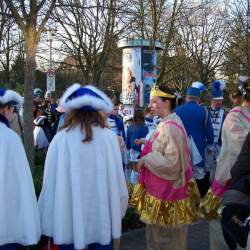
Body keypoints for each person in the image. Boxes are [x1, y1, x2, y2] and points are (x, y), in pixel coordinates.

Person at [38, 83, 128, 250]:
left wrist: (47, 218)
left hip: (68, 221)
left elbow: (49, 184)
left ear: (71, 110)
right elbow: (118, 181)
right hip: (101, 220)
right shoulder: (109, 138)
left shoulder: (60, 140)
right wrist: (120, 209)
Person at [130, 84, 200, 250]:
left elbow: (171, 165)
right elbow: (165, 147)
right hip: (167, 193)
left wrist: (146, 159)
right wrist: (148, 143)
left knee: (162, 241)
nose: (151, 106)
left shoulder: (169, 126)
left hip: (166, 195)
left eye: (154, 101)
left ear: (167, 103)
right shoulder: (170, 121)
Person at [0, 88, 41, 250]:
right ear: (5, 109)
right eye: (12, 109)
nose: (13, 114)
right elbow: (22, 184)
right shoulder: (10, 138)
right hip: (7, 224)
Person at [176, 85, 214, 198]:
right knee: (199, 174)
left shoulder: (177, 111)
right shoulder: (203, 111)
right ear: (198, 99)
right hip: (199, 147)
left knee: (181, 173)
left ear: (187, 97)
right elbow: (210, 133)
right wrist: (210, 145)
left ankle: (182, 200)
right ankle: (199, 200)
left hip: (181, 147)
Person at [206, 80, 227, 181]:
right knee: (206, 171)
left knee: (219, 171)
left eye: (221, 100)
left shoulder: (226, 113)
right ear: (212, 100)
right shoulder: (205, 111)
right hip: (207, 147)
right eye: (217, 100)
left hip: (220, 147)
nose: (219, 102)